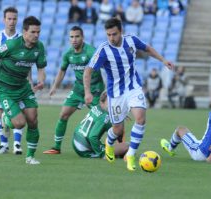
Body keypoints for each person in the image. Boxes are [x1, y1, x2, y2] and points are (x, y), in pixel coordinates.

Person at [83, 18, 174, 171]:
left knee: (140, 118)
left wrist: (163, 60)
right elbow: (88, 70)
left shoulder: (131, 40)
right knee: (117, 130)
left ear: (121, 31)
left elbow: (147, 48)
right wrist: (87, 92)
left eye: (114, 34)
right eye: (109, 35)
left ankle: (130, 154)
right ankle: (109, 143)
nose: (112, 38)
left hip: (133, 88)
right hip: (115, 94)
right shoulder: (103, 50)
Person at [0, 16, 47, 165]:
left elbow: (41, 67)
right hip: (6, 89)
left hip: (24, 87)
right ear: (24, 32)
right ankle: (6, 120)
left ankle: (30, 157)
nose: (36, 35)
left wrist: (41, 81)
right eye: (33, 32)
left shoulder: (39, 47)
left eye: (38, 32)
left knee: (33, 119)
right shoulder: (12, 44)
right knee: (19, 124)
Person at [43, 26, 105, 155]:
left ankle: (117, 146)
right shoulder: (68, 54)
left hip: (95, 90)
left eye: (77, 36)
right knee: (63, 114)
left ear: (82, 37)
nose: (74, 39)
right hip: (78, 89)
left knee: (104, 118)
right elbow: (62, 71)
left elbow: (105, 67)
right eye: (71, 37)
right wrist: (55, 86)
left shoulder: (90, 52)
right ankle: (56, 147)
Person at [0, 7, 24, 155]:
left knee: (18, 111)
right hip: (1, 82)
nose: (12, 21)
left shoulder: (21, 38)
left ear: (17, 20)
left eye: (14, 18)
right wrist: (3, 70)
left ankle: (17, 144)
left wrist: (29, 81)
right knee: (1, 111)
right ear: (4, 20)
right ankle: (3, 145)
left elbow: (26, 61)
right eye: (9, 18)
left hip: (18, 83)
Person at [72, 91, 128, 158]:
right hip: (84, 148)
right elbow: (92, 137)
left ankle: (116, 154)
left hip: (76, 141)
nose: (112, 104)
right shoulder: (105, 116)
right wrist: (101, 153)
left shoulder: (97, 107)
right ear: (102, 102)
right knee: (127, 146)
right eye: (109, 102)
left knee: (117, 134)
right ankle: (103, 155)